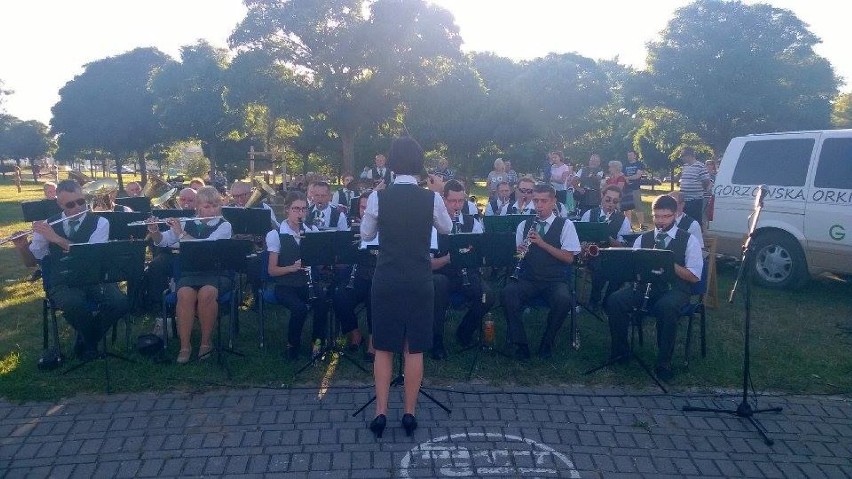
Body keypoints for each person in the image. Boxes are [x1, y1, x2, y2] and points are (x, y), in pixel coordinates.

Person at [360, 136, 452, 438]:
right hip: (418, 277)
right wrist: (437, 192)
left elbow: (367, 232)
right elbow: (447, 228)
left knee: (384, 347)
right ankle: (410, 412)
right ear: (419, 163)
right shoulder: (432, 198)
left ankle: (381, 412)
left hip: (386, 277)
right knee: (414, 348)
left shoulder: (379, 197)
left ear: (392, 162)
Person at [26, 180, 129, 359]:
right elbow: (39, 255)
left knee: (120, 302)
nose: (78, 207)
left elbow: (90, 254)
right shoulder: (49, 223)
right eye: (70, 204)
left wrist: (56, 238)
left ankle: (86, 340)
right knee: (74, 304)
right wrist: (39, 238)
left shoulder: (100, 222)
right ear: (60, 204)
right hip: (63, 281)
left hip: (94, 277)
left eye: (81, 201)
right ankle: (91, 344)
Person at [605, 194, 702, 381]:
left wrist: (668, 263)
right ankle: (621, 352)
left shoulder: (689, 240)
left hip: (675, 289)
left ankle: (664, 362)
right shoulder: (644, 238)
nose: (660, 221)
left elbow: (694, 276)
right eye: (657, 216)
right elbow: (632, 268)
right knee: (616, 300)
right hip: (646, 288)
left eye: (665, 217)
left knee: (666, 307)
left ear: (675, 215)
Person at [148, 186, 232, 363]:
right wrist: (154, 231)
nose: (211, 210)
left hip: (216, 273)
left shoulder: (225, 225)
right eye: (206, 206)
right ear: (198, 208)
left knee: (207, 293)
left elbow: (206, 246)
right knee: (184, 294)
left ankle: (205, 342)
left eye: (214, 205)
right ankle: (185, 346)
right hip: (190, 272)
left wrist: (180, 233)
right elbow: (163, 242)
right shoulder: (187, 222)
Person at [500, 184, 580, 360]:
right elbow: (518, 256)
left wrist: (542, 244)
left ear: (553, 202)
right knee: (508, 294)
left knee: (564, 300)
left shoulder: (566, 225)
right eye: (536, 201)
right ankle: (521, 344)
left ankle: (547, 342)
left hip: (555, 280)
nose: (539, 205)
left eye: (544, 201)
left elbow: (568, 258)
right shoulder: (524, 225)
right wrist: (521, 251)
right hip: (529, 278)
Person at [430, 180, 494, 359]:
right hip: (441, 275)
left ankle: (464, 331)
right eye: (452, 201)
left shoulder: (471, 222)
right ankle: (437, 340)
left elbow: (481, 254)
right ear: (443, 200)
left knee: (487, 295)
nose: (457, 205)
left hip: (466, 273)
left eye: (460, 201)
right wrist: (450, 258)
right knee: (439, 286)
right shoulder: (432, 226)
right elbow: (428, 264)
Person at [264, 191, 329, 360]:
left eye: (303, 209)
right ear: (287, 209)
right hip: (285, 285)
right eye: (296, 209)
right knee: (299, 309)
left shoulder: (312, 231)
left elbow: (320, 264)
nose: (300, 213)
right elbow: (272, 270)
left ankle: (317, 345)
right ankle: (292, 346)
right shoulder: (276, 234)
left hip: (307, 283)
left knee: (322, 302)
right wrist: (292, 267)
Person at [333, 192, 377, 359]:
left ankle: (373, 343)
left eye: (369, 208)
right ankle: (355, 333)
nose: (365, 212)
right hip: (358, 276)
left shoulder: (385, 228)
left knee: (374, 298)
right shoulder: (352, 228)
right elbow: (343, 257)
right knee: (339, 296)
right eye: (362, 207)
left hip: (379, 277)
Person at [580, 185, 633, 309]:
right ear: (601, 196)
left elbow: (623, 246)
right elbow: (580, 237)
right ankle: (594, 300)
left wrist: (606, 236)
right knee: (599, 267)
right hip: (591, 255)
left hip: (612, 255)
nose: (610, 204)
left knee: (622, 271)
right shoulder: (589, 214)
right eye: (608, 199)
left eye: (615, 201)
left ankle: (608, 301)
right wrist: (584, 247)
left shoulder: (623, 220)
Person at [678, 147, 711, 227]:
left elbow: (706, 181)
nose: (681, 158)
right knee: (684, 221)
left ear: (689, 155)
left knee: (695, 221)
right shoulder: (685, 166)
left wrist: (700, 190)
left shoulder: (700, 166)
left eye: (683, 155)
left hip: (695, 200)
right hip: (684, 200)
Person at [623, 150, 647, 228]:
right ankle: (628, 225)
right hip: (626, 189)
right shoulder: (625, 165)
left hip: (635, 189)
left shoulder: (639, 164)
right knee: (627, 208)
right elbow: (622, 175)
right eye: (628, 155)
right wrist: (625, 179)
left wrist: (627, 178)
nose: (629, 156)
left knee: (638, 207)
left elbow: (638, 175)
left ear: (635, 156)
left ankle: (642, 225)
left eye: (631, 155)